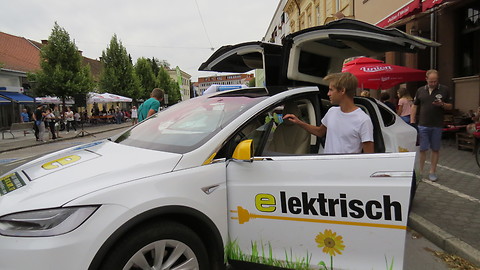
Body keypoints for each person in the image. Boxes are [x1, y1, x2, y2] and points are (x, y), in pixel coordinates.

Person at [283, 72, 374, 154]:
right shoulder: (332, 112)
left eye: (331, 90)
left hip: (347, 170)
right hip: (328, 167)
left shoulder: (363, 120)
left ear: (342, 91)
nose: (328, 94)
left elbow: (368, 156)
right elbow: (319, 132)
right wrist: (299, 122)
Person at [411, 69, 452, 182]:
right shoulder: (420, 90)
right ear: (426, 79)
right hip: (423, 124)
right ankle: (420, 172)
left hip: (437, 125)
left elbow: (450, 106)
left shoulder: (444, 89)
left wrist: (442, 104)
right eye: (431, 81)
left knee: (435, 149)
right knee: (422, 149)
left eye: (435, 81)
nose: (433, 83)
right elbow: (414, 106)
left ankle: (432, 171)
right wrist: (412, 120)